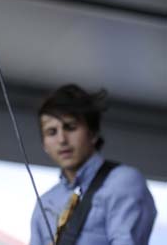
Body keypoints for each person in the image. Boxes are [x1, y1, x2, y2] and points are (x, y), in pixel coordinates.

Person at [30, 84, 156, 245]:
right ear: (45, 145)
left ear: (93, 132)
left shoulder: (122, 181)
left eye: (70, 127)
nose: (62, 139)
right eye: (51, 132)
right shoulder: (46, 202)